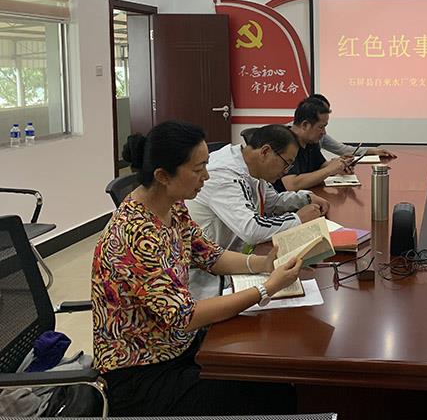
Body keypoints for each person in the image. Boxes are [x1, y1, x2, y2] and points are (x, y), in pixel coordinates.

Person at [92, 120, 303, 416]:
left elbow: (210, 255)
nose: (207, 175)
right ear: (163, 175)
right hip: (143, 374)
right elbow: (185, 316)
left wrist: (264, 263)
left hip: (179, 348)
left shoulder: (172, 206)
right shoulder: (136, 234)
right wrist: (265, 288)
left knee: (270, 373)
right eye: (198, 168)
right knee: (273, 394)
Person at [186, 124, 330, 299]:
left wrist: (305, 198)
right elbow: (252, 230)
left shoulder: (251, 168)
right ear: (265, 152)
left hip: (234, 260)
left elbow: (272, 202)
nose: (286, 171)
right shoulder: (222, 176)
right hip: (207, 278)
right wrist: (298, 219)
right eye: (286, 163)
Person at [275, 97, 351, 192]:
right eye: (321, 127)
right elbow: (291, 184)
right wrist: (329, 170)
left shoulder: (310, 141)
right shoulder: (285, 142)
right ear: (305, 125)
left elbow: (321, 166)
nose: (324, 132)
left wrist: (339, 164)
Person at [308, 94, 396, 159]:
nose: (324, 132)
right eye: (323, 111)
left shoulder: (319, 136)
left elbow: (342, 149)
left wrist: (373, 151)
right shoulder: (302, 141)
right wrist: (331, 168)